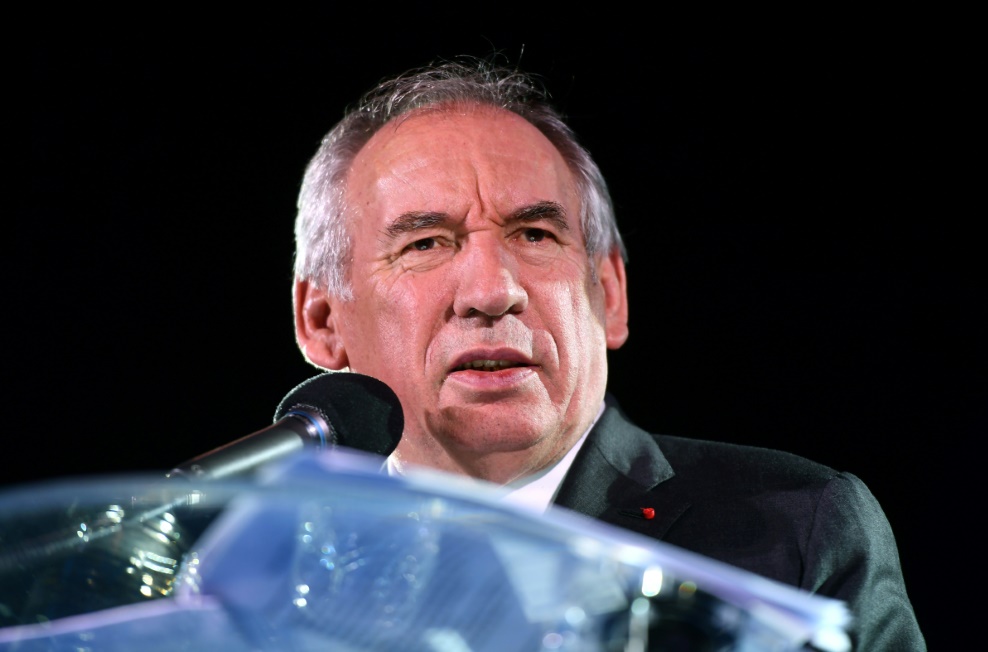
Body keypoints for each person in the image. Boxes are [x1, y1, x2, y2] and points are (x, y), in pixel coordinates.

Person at [289, 56, 925, 651]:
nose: (493, 291)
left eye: (535, 234)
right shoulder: (269, 570)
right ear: (322, 321)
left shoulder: (797, 527)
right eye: (426, 243)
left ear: (610, 295)